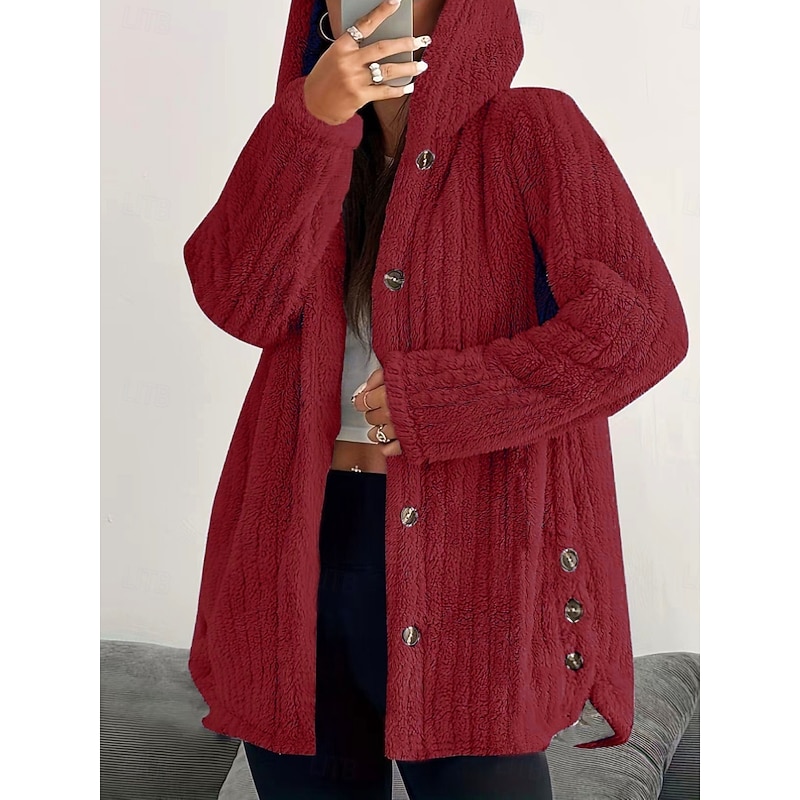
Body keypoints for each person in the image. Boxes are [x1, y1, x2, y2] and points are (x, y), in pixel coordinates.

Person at [182, 0, 689, 798]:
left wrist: (444, 400)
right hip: (291, 563)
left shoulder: (532, 130)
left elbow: (643, 327)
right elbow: (237, 301)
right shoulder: (308, 142)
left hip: (476, 569)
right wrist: (313, 122)